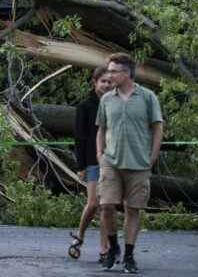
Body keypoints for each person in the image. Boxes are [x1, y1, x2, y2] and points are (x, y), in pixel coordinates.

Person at [97, 53, 163, 274]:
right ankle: (113, 248)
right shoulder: (106, 99)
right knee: (106, 206)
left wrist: (152, 157)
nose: (110, 75)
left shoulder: (147, 97)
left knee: (132, 210)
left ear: (126, 73)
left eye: (114, 71)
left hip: (139, 163)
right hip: (111, 162)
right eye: (109, 71)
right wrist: (100, 154)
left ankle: (129, 256)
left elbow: (157, 128)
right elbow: (101, 129)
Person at [69, 66, 113, 262]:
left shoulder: (116, 104)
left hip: (112, 161)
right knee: (94, 203)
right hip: (92, 161)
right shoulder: (85, 106)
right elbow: (79, 137)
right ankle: (79, 236)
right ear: (94, 82)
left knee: (107, 206)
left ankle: (104, 249)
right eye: (102, 81)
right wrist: (80, 166)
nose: (106, 85)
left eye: (109, 81)